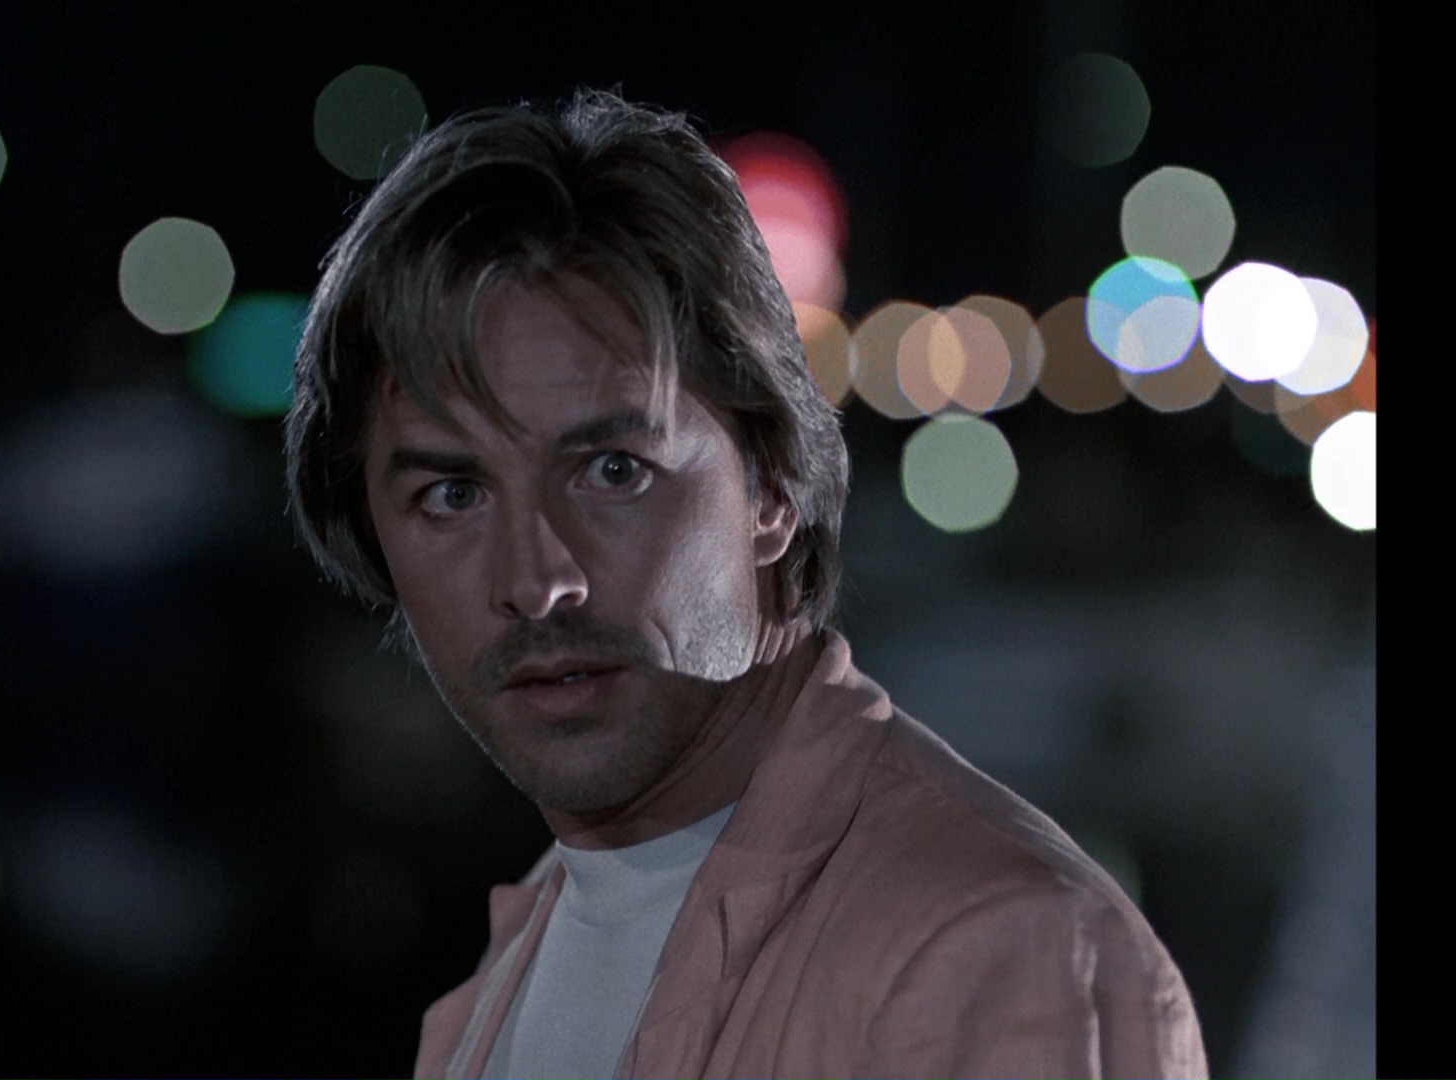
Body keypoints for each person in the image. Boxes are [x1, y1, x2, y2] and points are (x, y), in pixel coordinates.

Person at [285, 88, 1208, 1080]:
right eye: (454, 494)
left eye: (614, 471)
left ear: (771, 486)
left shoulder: (992, 953)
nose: (536, 579)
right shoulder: (526, 955)